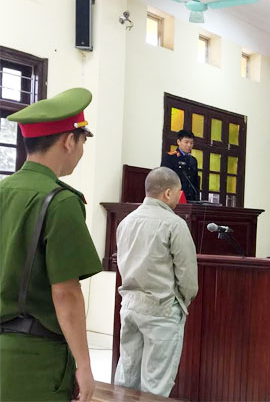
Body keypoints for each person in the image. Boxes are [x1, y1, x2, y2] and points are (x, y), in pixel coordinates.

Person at [0, 88, 102, 401]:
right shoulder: (60, 201)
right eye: (82, 140)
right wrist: (84, 365)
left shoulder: (3, 191)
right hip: (36, 361)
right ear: (69, 141)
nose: (81, 149)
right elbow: (66, 293)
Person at [114, 167, 198, 397]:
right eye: (179, 193)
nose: (179, 199)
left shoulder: (126, 221)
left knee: (126, 378)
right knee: (156, 385)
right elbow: (187, 276)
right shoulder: (174, 224)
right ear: (168, 193)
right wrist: (183, 301)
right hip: (162, 309)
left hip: (129, 305)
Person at [161, 129, 200, 201]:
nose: (189, 145)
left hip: (190, 199)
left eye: (191, 143)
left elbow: (195, 182)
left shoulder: (193, 160)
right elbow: (164, 180)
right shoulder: (170, 157)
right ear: (178, 142)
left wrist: (197, 198)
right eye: (186, 142)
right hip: (175, 198)